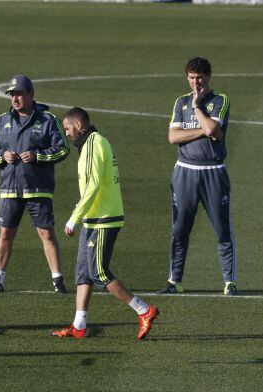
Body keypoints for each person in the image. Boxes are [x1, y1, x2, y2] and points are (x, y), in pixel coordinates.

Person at [52, 107, 159, 340]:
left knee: (99, 272)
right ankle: (79, 326)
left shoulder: (92, 144)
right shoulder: (93, 144)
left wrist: (73, 218)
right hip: (94, 218)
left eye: (68, 128)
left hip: (103, 219)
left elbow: (92, 186)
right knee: (83, 273)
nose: (67, 134)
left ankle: (144, 310)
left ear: (79, 126)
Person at [0, 74, 69, 294]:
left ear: (30, 94)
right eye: (12, 94)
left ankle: (57, 281)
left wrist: (38, 156)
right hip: (10, 189)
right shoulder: (1, 121)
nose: (15, 98)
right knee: (5, 234)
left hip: (38, 189)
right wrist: (3, 156)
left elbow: (62, 148)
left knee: (47, 234)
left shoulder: (49, 120)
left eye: (19, 94)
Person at [159, 57, 237, 296]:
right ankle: (175, 282)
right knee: (180, 230)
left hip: (213, 171)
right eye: (192, 78)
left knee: (222, 229)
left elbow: (214, 130)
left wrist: (196, 108)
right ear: (187, 78)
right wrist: (202, 130)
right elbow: (173, 137)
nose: (196, 83)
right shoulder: (179, 102)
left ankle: (229, 282)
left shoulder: (219, 100)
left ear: (209, 77)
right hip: (185, 171)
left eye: (200, 78)